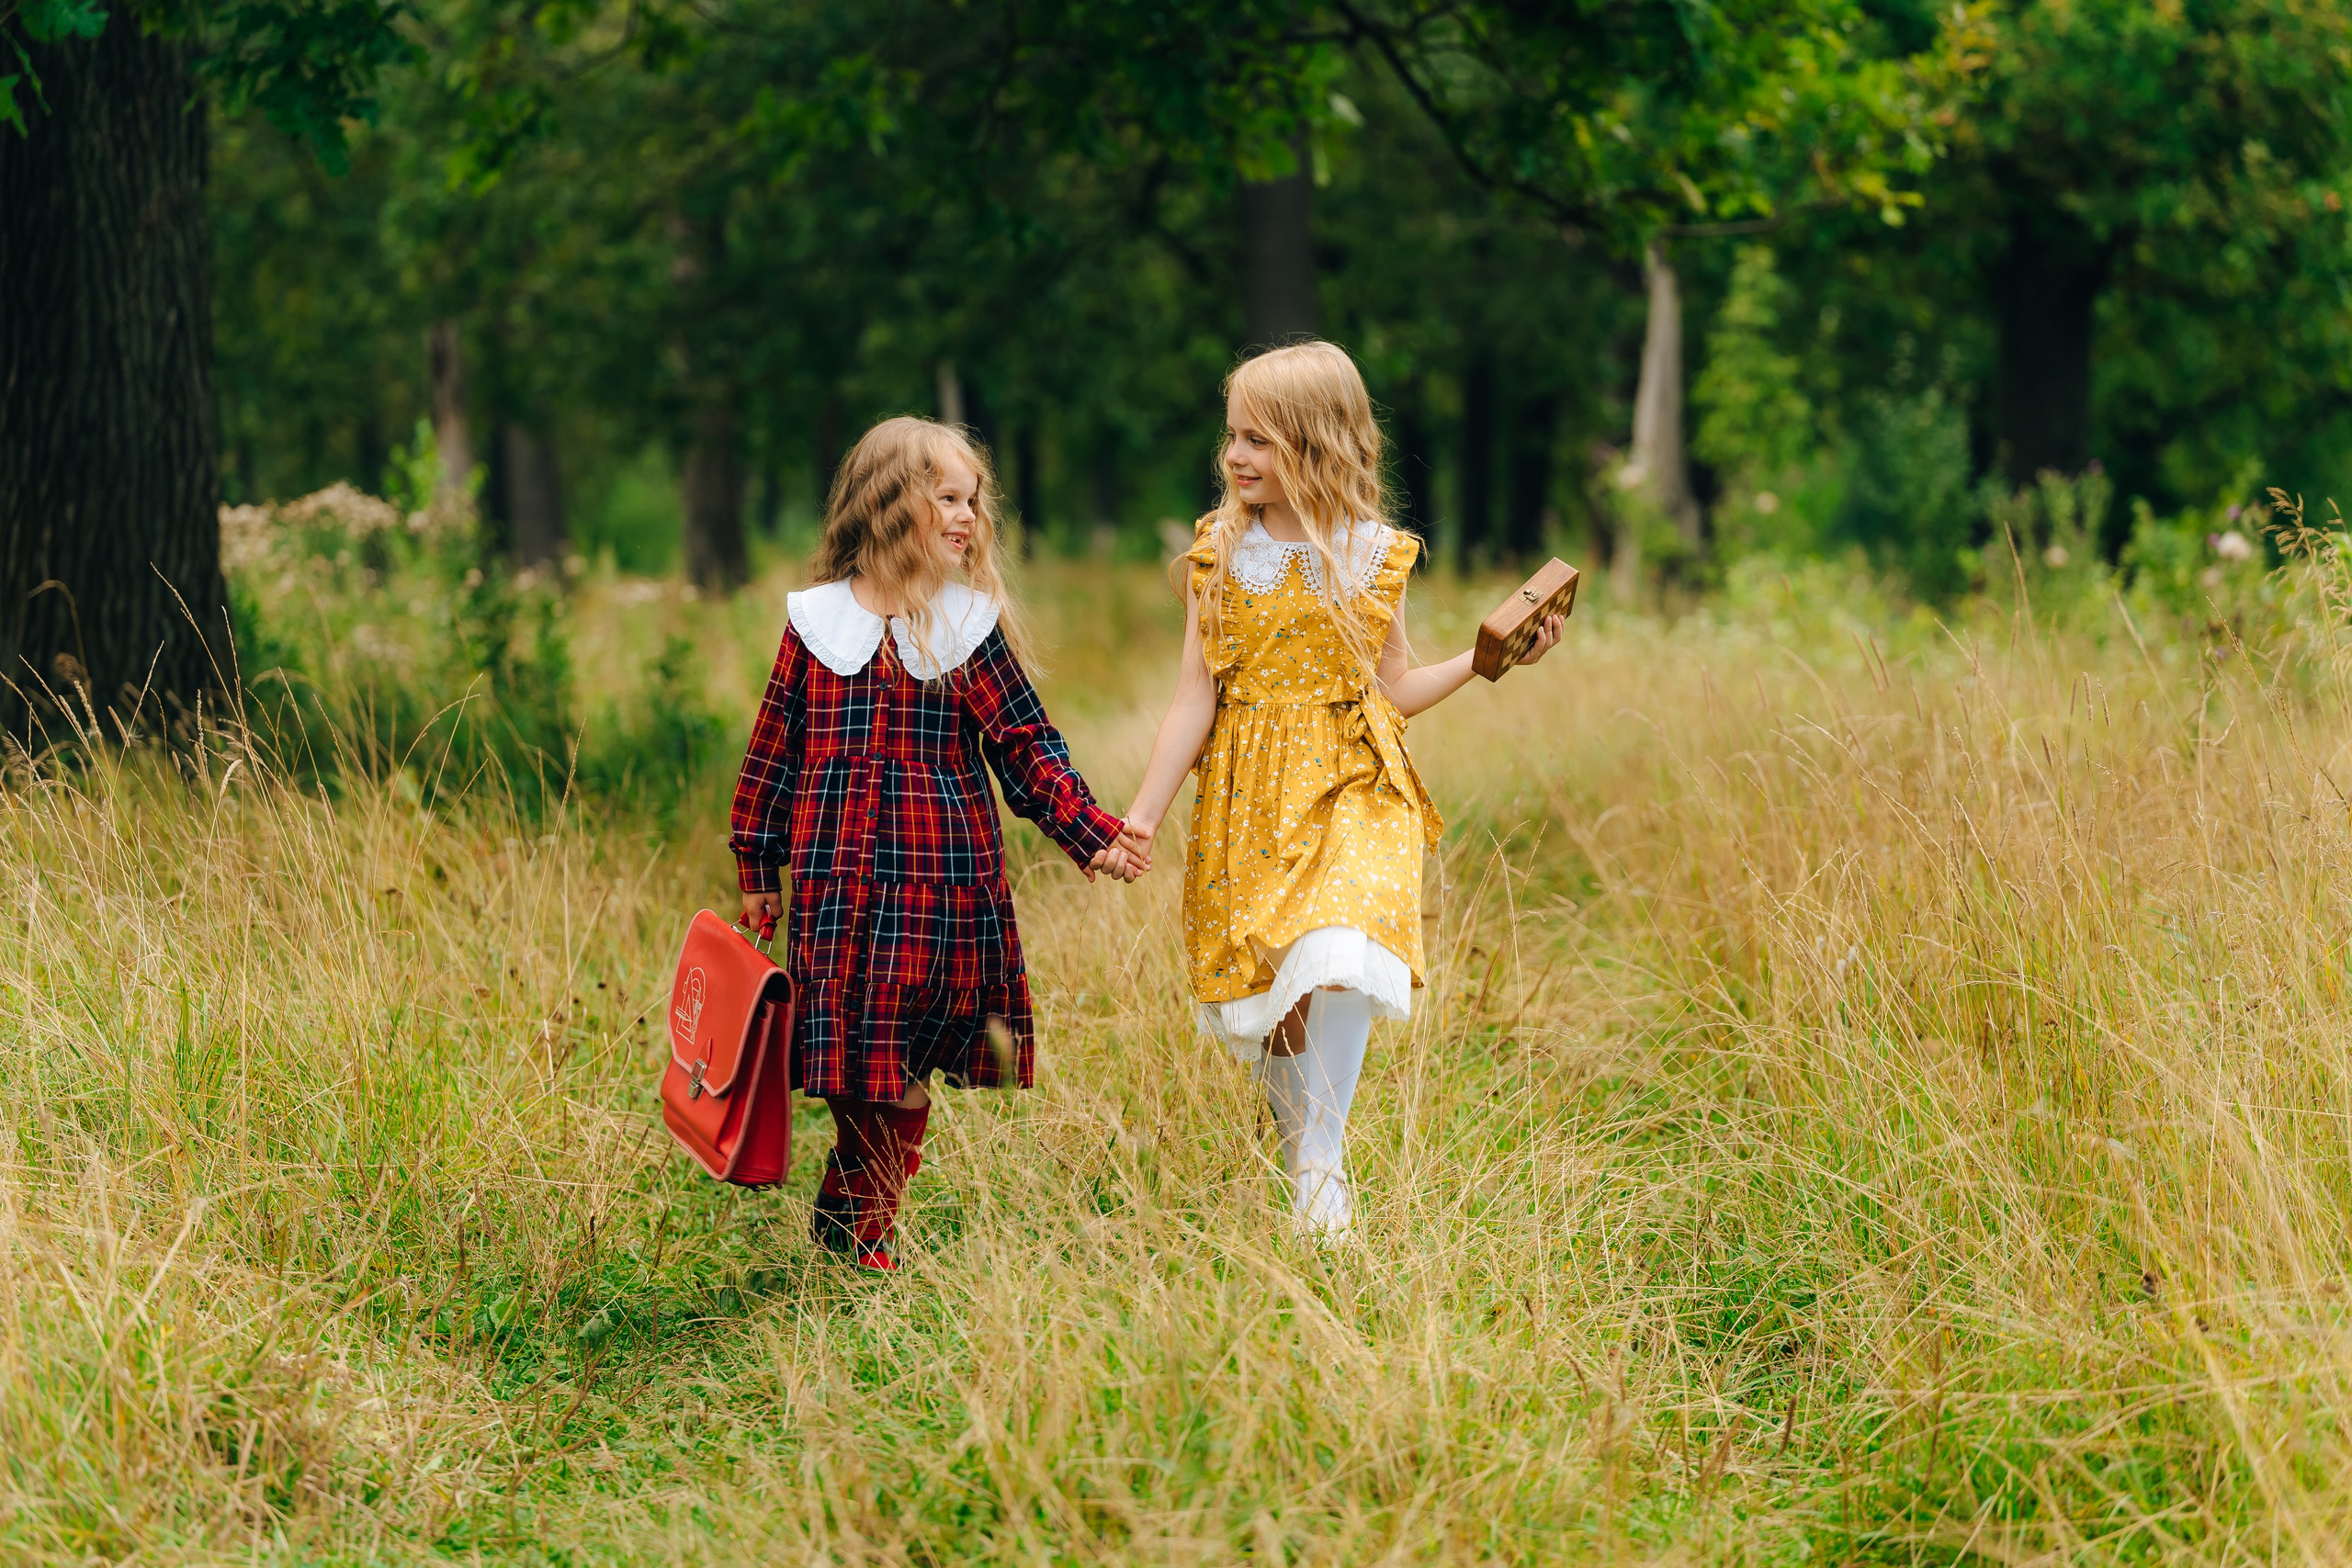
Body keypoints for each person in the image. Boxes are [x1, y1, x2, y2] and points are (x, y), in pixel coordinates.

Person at [1119, 342, 1562, 1242]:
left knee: (1338, 949)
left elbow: (1390, 687)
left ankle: (1323, 1167)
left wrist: (1484, 663)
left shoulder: (1375, 555)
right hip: (1250, 793)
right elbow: (1193, 697)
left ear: (1316, 441)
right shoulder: (1219, 552)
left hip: (1356, 780)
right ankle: (1298, 1160)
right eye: (1232, 436)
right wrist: (1143, 817)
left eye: (1259, 439)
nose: (1235, 456)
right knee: (1279, 988)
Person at [730, 415, 1148, 1272]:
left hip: (941, 887)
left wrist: (1092, 831)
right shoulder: (816, 623)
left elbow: (1028, 748)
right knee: (849, 1061)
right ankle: (852, 1197)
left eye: (973, 501)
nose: (967, 517)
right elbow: (774, 748)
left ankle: (867, 1229)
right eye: (948, 498)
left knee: (908, 1059)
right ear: (890, 503)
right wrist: (756, 861)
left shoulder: (968, 626)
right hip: (836, 886)